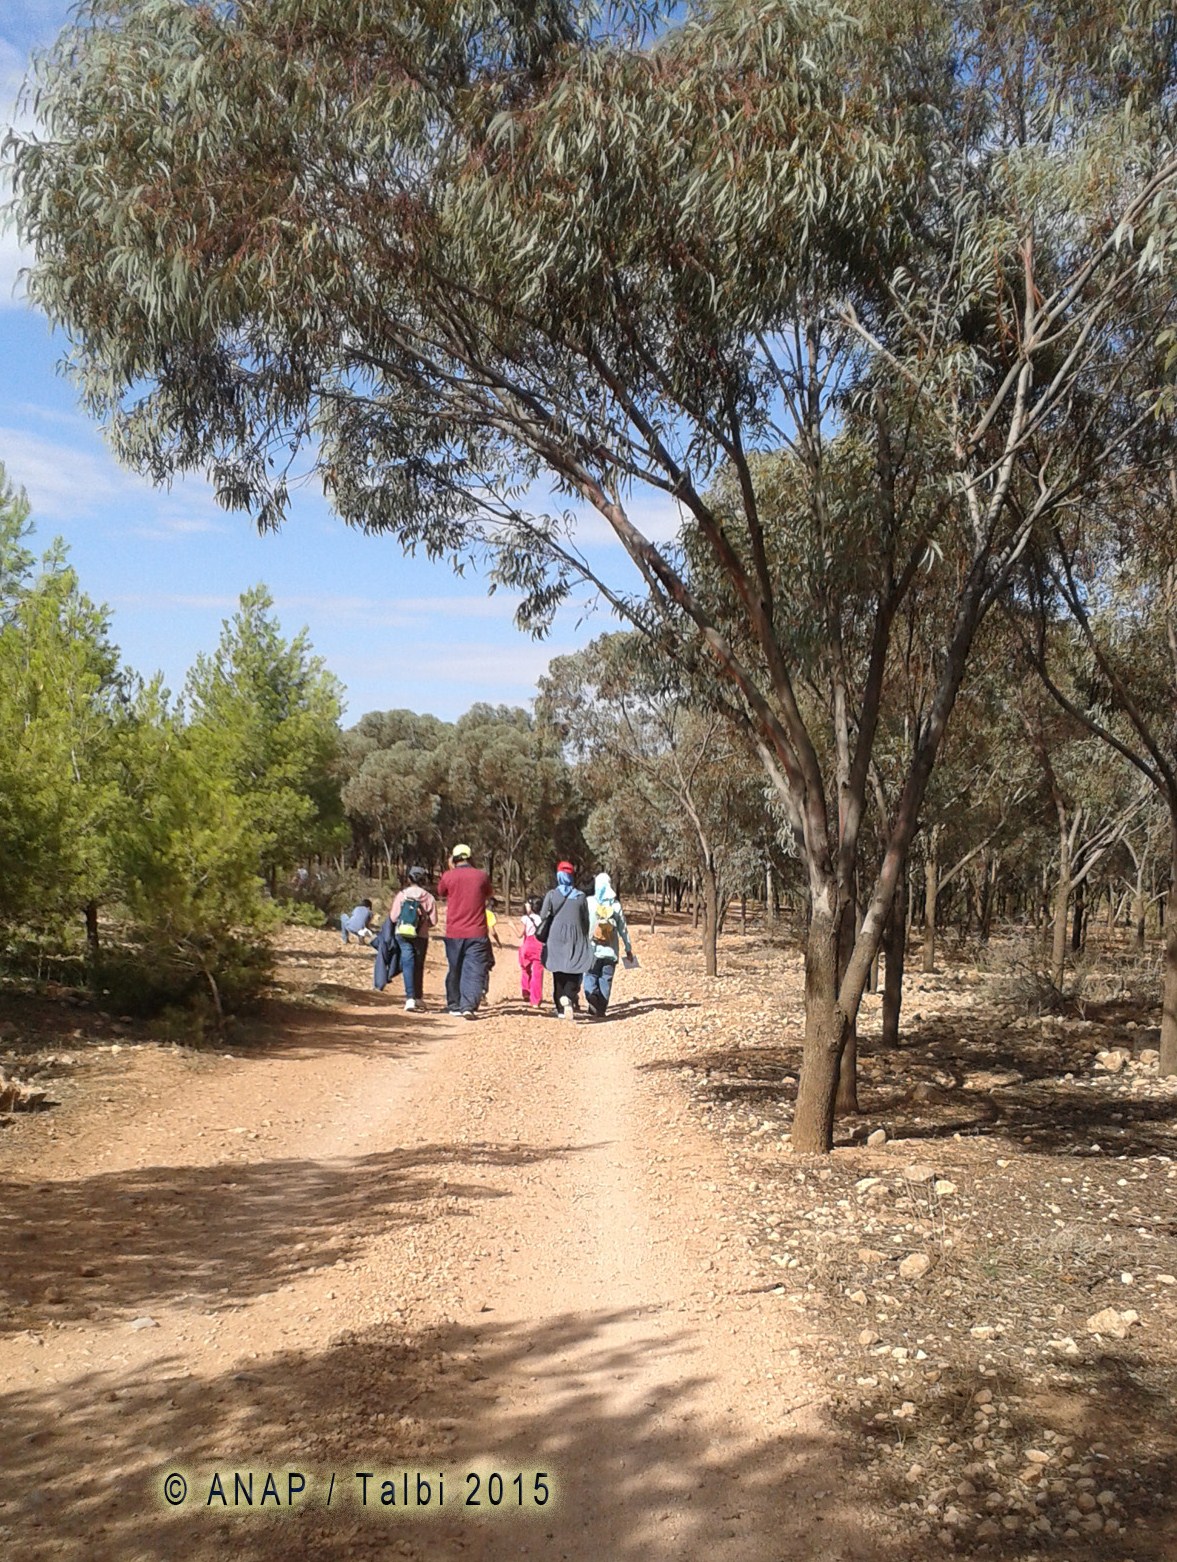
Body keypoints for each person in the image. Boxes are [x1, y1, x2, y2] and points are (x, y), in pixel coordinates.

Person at [436, 843, 494, 1018]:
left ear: (454, 859)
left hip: (454, 932)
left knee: (455, 968)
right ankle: (468, 1005)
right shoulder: (482, 876)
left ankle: (454, 1004)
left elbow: (440, 891)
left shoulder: (448, 876)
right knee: (474, 969)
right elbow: (489, 894)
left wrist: (450, 869)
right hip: (477, 932)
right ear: (470, 858)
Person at [538, 861, 593, 1019]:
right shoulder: (581, 896)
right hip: (575, 936)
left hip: (555, 936)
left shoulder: (552, 895)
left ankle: (560, 1007)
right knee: (574, 967)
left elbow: (543, 916)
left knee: (558, 969)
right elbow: (585, 919)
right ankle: (569, 996)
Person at [584, 872, 634, 1019]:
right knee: (606, 979)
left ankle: (592, 996)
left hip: (591, 950)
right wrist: (628, 948)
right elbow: (623, 928)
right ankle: (601, 1009)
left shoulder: (589, 902)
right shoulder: (616, 906)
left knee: (591, 975)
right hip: (610, 952)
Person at [389, 867, 437, 1011]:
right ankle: (418, 997)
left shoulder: (402, 895)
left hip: (402, 934)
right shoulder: (429, 897)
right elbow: (433, 922)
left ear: (409, 879)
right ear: (423, 880)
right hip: (421, 936)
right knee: (418, 965)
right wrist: (421, 924)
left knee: (408, 963)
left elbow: (393, 917)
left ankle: (409, 998)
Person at [518, 896, 545, 1009]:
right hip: (539, 945)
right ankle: (535, 1000)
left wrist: (511, 926)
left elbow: (520, 934)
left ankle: (526, 991)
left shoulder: (525, 918)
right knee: (537, 973)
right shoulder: (542, 919)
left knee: (525, 968)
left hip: (528, 944)